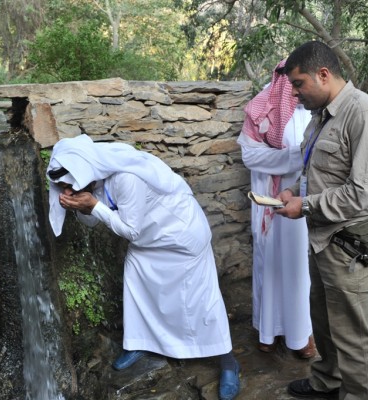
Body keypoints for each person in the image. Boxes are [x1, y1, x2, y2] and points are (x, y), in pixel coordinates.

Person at [46, 134, 241, 400]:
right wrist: (80, 207)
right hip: (151, 241)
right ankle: (140, 343)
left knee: (200, 302)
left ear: (85, 172)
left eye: (70, 185)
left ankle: (228, 362)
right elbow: (93, 221)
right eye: (63, 188)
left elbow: (131, 231)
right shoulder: (94, 179)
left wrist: (93, 205)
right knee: (137, 285)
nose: (67, 191)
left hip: (180, 238)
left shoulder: (127, 177)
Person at [275, 41, 368, 399]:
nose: (295, 94)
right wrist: (294, 194)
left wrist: (306, 206)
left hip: (350, 244)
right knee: (325, 321)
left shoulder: (366, 114)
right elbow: (319, 171)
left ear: (324, 75)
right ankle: (326, 383)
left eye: (298, 84)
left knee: (353, 335)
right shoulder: (322, 115)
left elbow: (365, 191)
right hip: (323, 239)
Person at [237, 59, 315, 358]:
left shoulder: (317, 108)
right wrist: (296, 158)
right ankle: (267, 330)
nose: (296, 90)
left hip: (304, 203)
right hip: (270, 203)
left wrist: (304, 160)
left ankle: (302, 334)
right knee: (269, 265)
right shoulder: (262, 105)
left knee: (299, 269)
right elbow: (250, 156)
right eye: (292, 83)